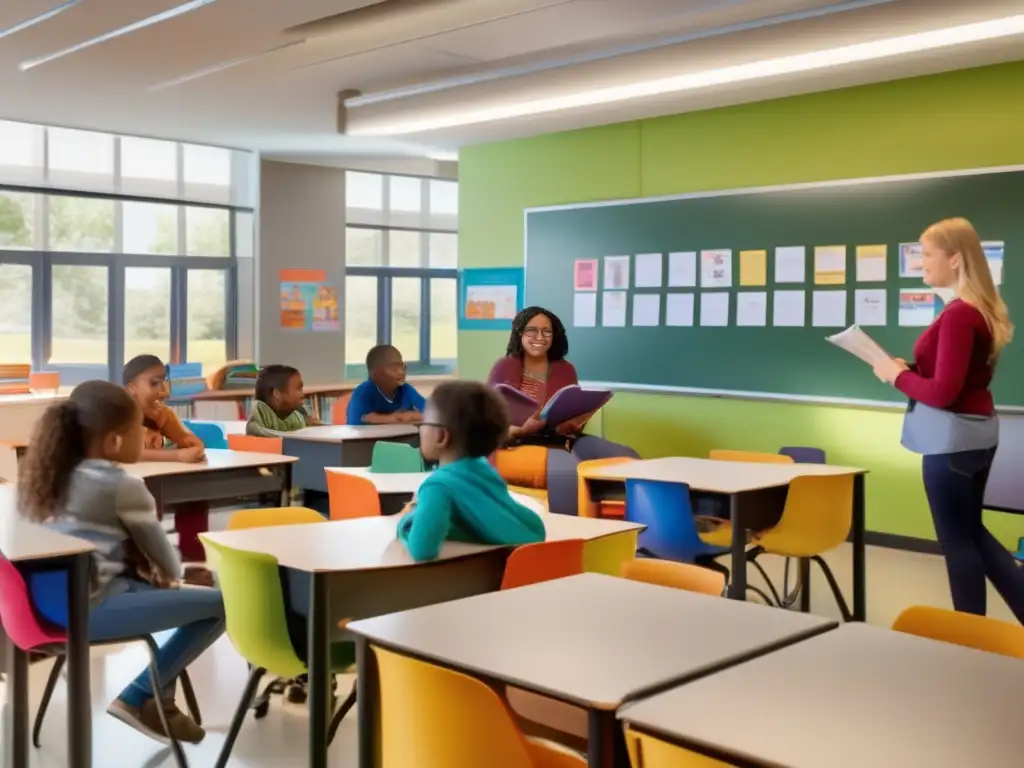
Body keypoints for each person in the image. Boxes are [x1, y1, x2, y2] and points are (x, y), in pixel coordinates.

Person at [18, 380, 225, 744]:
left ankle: (161, 702)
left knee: (158, 590)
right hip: (89, 609)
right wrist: (184, 576)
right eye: (138, 430)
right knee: (223, 605)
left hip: (38, 608)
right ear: (115, 441)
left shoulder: (42, 474)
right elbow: (170, 565)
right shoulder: (121, 486)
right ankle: (138, 696)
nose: (144, 436)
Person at [872, 217, 1023, 623]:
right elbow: (954, 378)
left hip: (952, 440)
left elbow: (943, 393)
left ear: (955, 259)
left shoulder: (959, 314)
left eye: (926, 254)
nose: (920, 263)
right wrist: (911, 368)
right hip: (976, 435)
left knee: (958, 541)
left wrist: (896, 376)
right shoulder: (976, 310)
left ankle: (969, 639)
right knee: (972, 533)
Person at [487, 306, 639, 515]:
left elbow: (571, 410)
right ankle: (569, 533)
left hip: (561, 438)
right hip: (515, 443)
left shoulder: (565, 369)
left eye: (546, 331)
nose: (539, 336)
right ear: (519, 334)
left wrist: (573, 423)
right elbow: (489, 426)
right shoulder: (504, 367)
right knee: (567, 469)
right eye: (531, 330)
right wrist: (523, 428)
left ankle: (633, 527)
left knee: (627, 455)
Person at [398, 381, 546, 561]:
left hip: (484, 573)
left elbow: (422, 549)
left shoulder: (437, 486)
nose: (421, 428)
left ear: (441, 436)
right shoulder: (485, 470)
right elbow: (477, 518)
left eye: (424, 422)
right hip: (526, 557)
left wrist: (404, 525)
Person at [123, 355, 208, 565]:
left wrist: (191, 443)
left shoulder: (162, 413)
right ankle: (146, 562)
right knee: (146, 508)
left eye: (164, 382)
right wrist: (178, 455)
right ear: (132, 388)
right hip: (125, 482)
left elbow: (183, 438)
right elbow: (131, 452)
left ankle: (194, 561)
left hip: (157, 479)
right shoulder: (120, 413)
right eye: (154, 384)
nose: (163, 391)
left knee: (194, 492)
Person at [346, 344, 426, 425]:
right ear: (374, 373)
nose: (401, 372)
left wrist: (408, 416)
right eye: (394, 367)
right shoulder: (363, 392)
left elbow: (433, 413)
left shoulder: (406, 389)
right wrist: (396, 418)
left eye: (402, 366)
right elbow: (356, 425)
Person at [246, 364, 323, 436]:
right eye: (298, 389)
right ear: (277, 394)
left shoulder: (297, 415)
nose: (302, 395)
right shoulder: (259, 414)